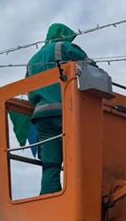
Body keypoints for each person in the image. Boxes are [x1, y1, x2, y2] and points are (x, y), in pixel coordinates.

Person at [23, 23, 93, 195]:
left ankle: (50, 197)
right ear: (63, 35)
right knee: (78, 156)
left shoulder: (32, 61)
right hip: (65, 111)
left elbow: (30, 93)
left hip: (41, 117)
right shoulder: (64, 47)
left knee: (50, 163)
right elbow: (91, 70)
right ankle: (79, 196)